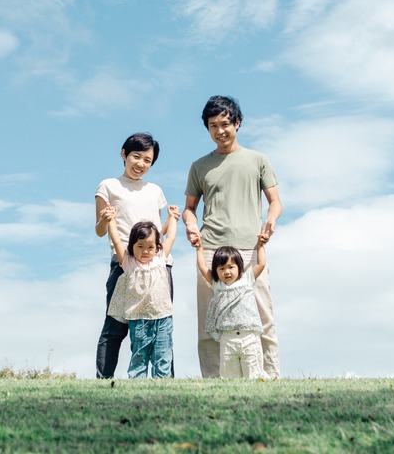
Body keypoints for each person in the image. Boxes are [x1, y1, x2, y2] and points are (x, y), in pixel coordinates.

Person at [182, 95, 282, 378]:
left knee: (262, 317)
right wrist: (190, 226)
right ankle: (214, 379)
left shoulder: (258, 160)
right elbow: (189, 209)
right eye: (213, 125)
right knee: (209, 320)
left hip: (250, 250)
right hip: (212, 250)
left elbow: (276, 202)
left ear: (237, 123)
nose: (220, 131)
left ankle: (270, 376)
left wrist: (270, 220)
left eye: (225, 124)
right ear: (208, 129)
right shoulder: (199, 166)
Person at [93, 133, 177, 379]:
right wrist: (105, 220)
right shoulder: (108, 186)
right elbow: (99, 231)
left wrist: (171, 220)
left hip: (158, 268)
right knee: (115, 326)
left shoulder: (155, 190)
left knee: (161, 324)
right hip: (125, 265)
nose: (140, 164)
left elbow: (157, 233)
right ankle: (104, 379)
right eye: (136, 156)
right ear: (123, 154)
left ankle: (166, 381)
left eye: (147, 160)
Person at [105, 217, 177, 378]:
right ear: (132, 246)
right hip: (139, 319)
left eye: (150, 247)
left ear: (157, 247)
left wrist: (172, 218)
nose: (145, 251)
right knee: (139, 354)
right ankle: (137, 383)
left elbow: (171, 236)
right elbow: (116, 240)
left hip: (162, 317)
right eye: (140, 246)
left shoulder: (160, 259)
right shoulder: (129, 262)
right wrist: (111, 221)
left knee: (163, 354)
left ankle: (163, 385)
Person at [194, 234, 268, 378]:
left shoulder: (247, 278)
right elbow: (203, 267)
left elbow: (261, 264)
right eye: (221, 268)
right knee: (229, 376)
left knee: (253, 374)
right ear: (216, 271)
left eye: (230, 267)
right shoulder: (217, 285)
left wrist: (260, 246)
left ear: (239, 267)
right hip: (228, 338)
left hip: (249, 335)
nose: (226, 271)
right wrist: (199, 249)